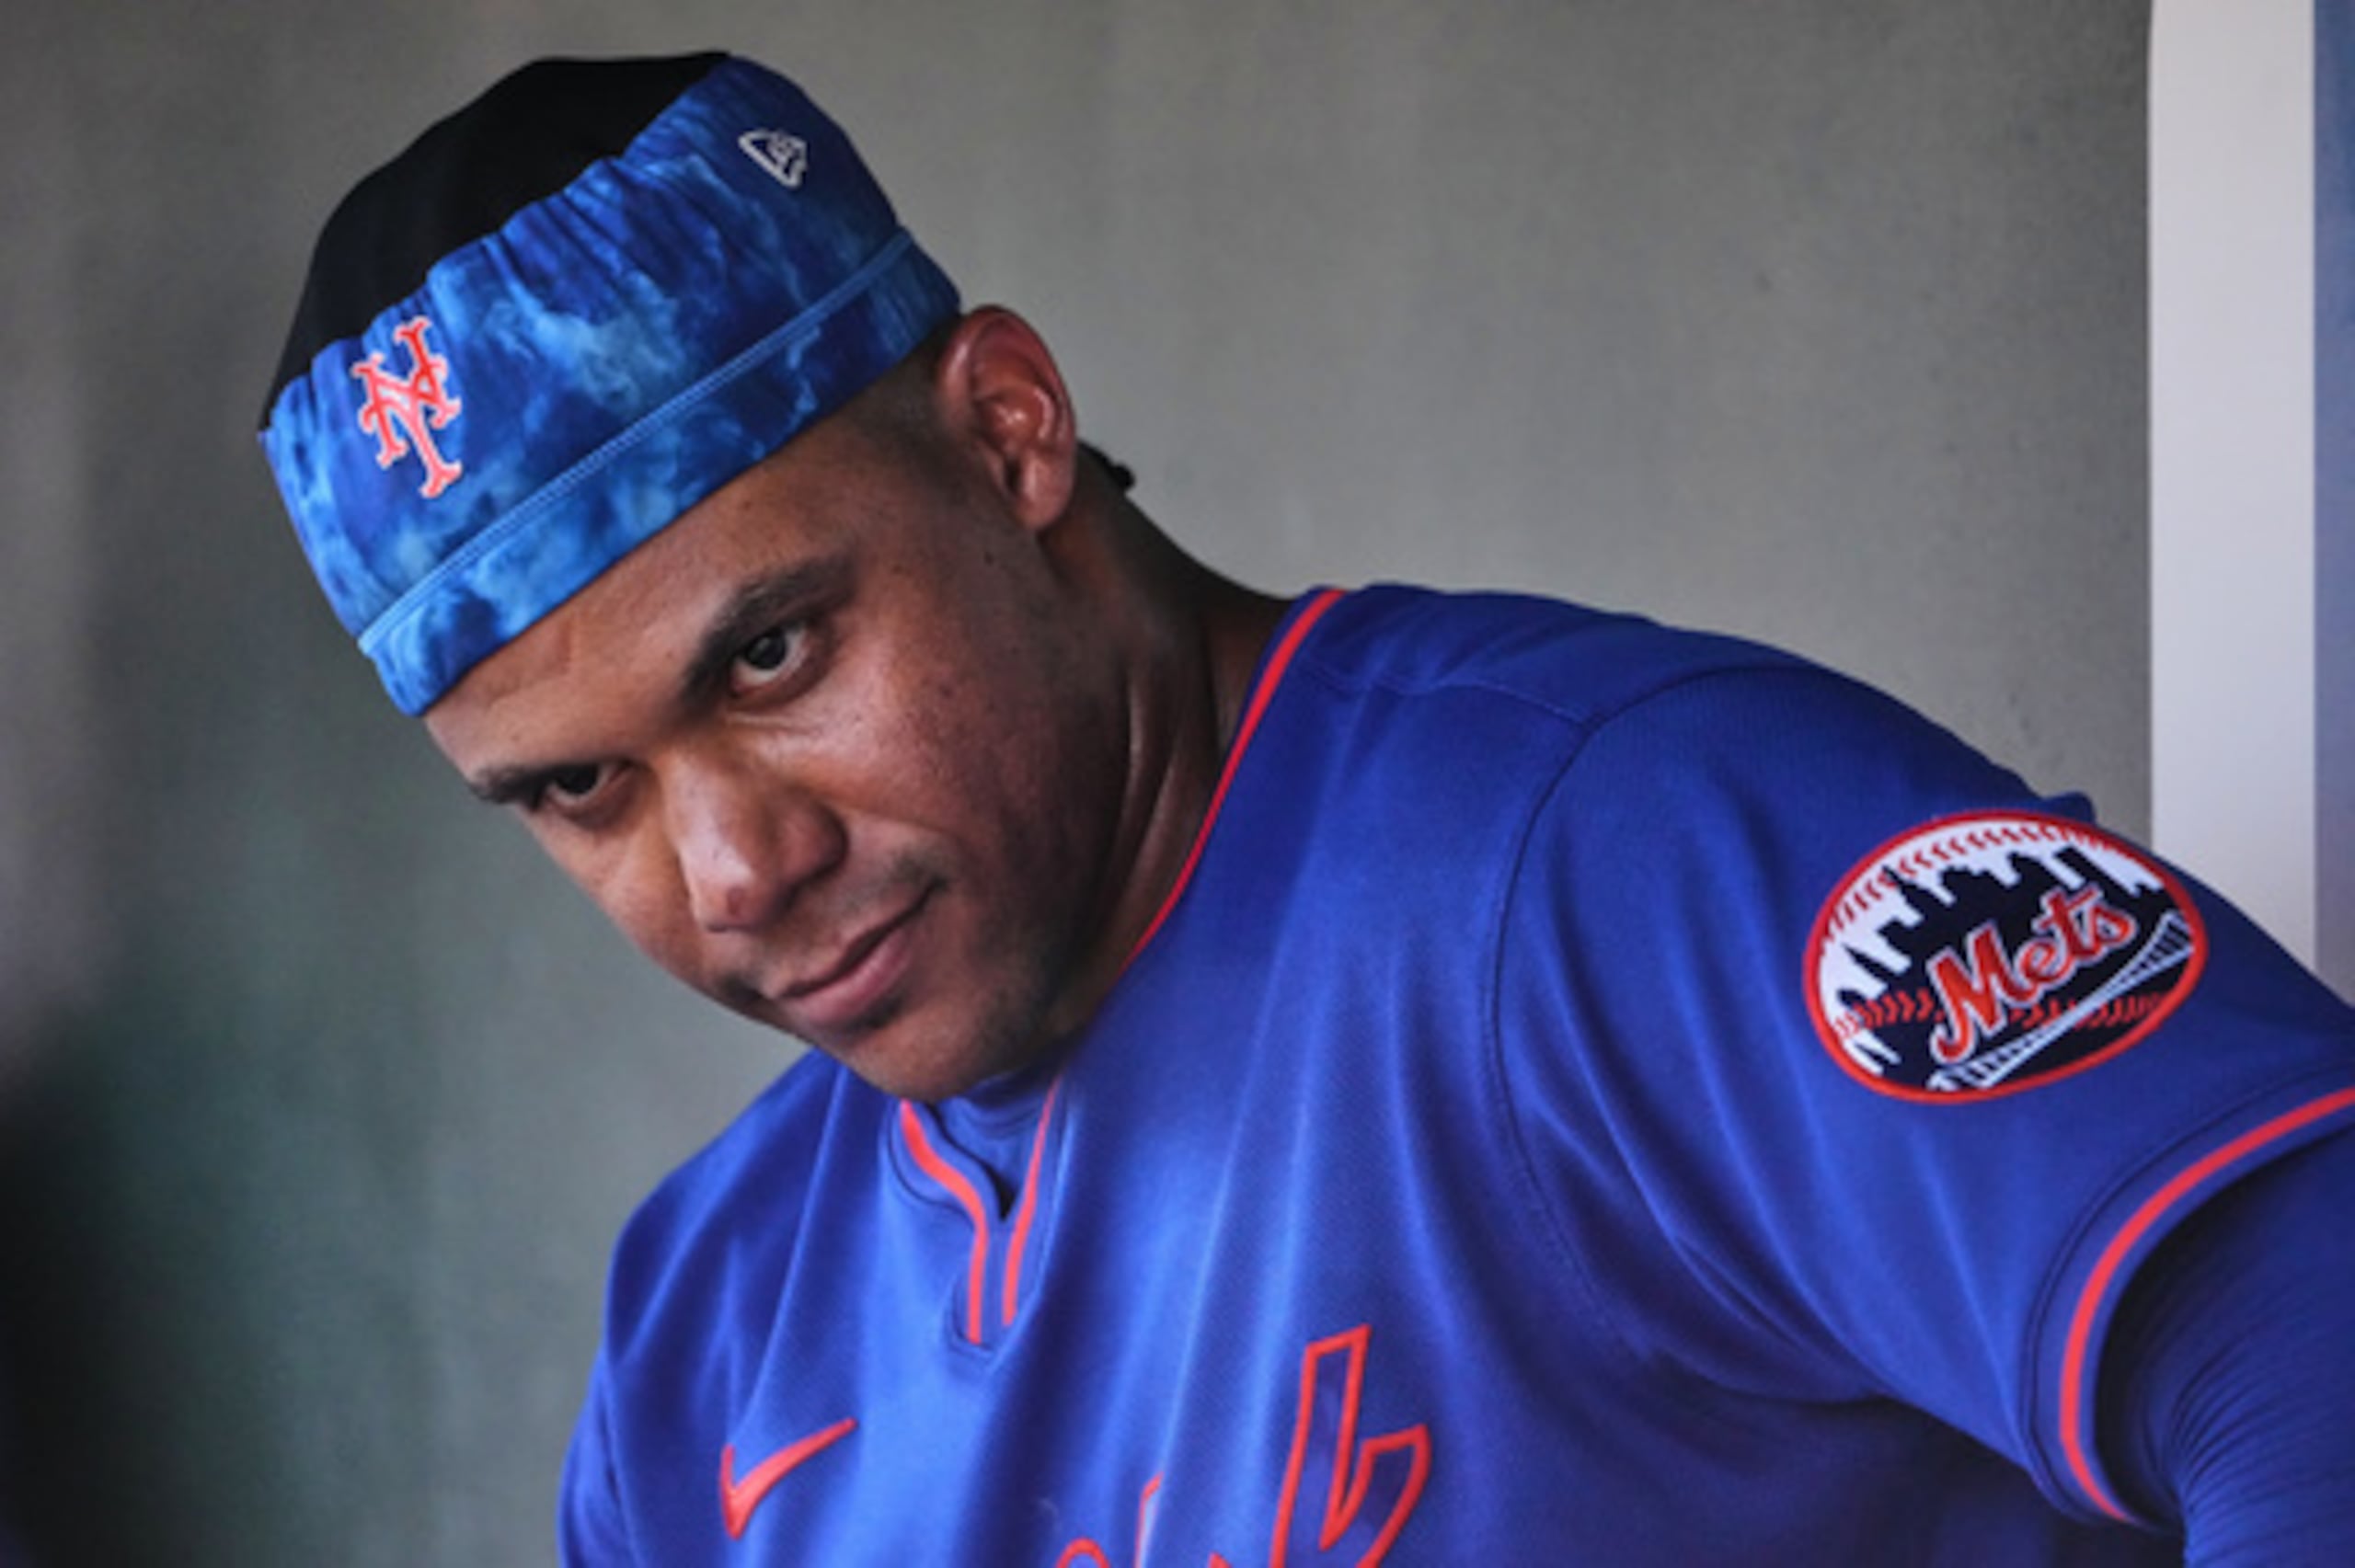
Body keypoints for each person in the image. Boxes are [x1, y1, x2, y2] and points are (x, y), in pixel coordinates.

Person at [259, 52, 2355, 1565]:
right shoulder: (705, 1330)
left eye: (774, 657)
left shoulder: (1596, 851)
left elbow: (2311, 1349)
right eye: (579, 791)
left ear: (1006, 433)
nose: (732, 870)